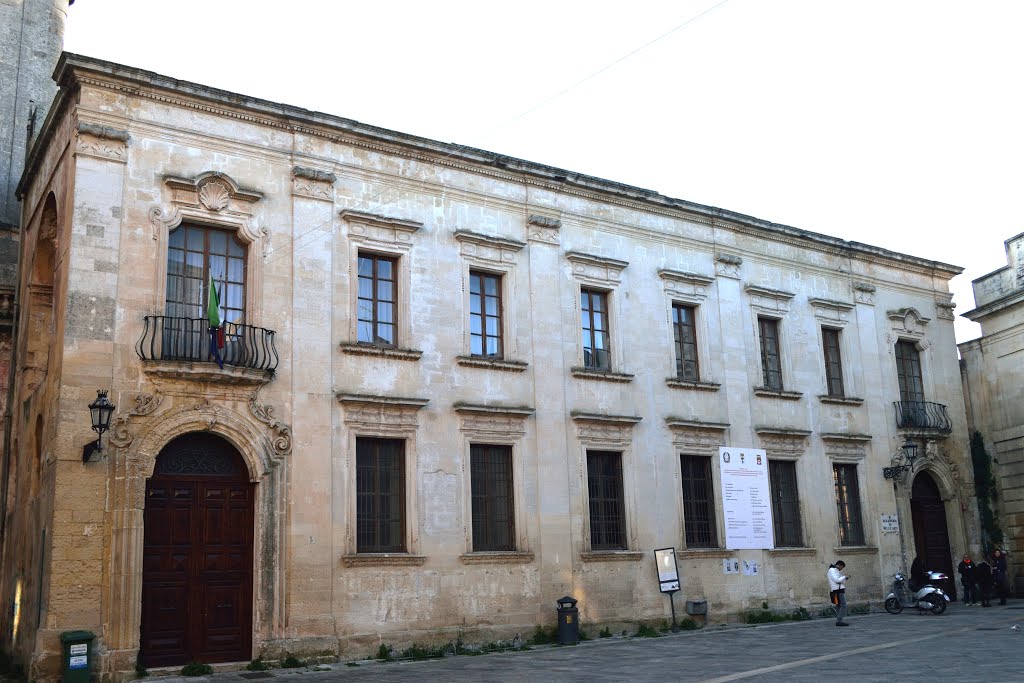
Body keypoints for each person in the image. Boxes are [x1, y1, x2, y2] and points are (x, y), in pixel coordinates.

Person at [827, 560, 850, 626]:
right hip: (837, 591)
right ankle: (839, 621)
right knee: (843, 605)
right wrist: (844, 577)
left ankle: (839, 621)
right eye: (842, 567)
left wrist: (845, 578)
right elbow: (837, 580)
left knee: (839, 606)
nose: (841, 569)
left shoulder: (836, 571)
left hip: (838, 590)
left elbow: (841, 581)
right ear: (839, 565)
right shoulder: (832, 570)